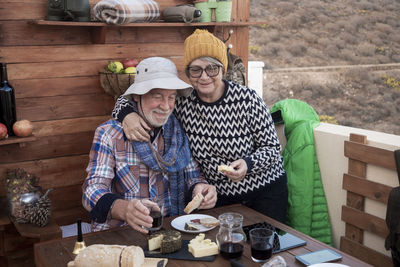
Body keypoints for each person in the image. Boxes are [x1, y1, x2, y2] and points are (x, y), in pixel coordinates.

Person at [112, 30, 288, 223]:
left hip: (264, 194)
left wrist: (248, 163)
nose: (204, 76)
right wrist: (127, 115)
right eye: (196, 70)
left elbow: (272, 148)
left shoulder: (247, 99)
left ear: (222, 69)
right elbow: (129, 98)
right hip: (217, 198)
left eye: (212, 68)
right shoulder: (183, 102)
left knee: (263, 248)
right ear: (188, 73)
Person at [83, 57, 217, 233]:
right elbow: (91, 191)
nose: (166, 106)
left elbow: (193, 177)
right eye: (157, 96)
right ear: (138, 96)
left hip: (170, 231)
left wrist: (200, 189)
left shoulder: (178, 133)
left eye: (171, 97)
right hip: (122, 234)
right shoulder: (109, 133)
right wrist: (124, 209)